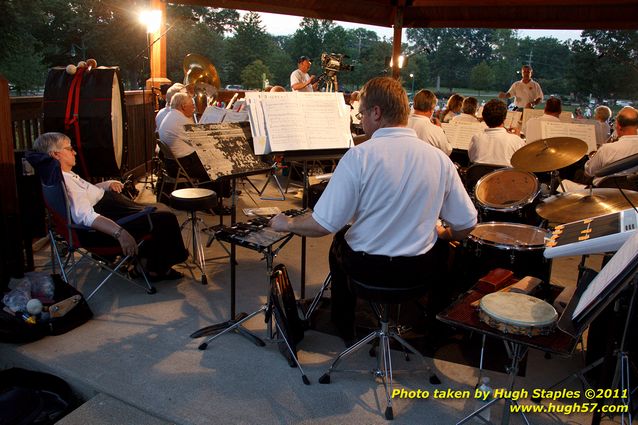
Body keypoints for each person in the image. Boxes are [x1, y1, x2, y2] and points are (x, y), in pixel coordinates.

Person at [269, 77, 477, 344]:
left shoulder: (359, 156)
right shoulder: (439, 159)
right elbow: (467, 222)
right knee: (444, 250)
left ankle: (345, 326)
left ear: (376, 112)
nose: (362, 119)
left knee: (338, 242)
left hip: (367, 270)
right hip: (418, 272)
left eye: (363, 113)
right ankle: (432, 328)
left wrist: (287, 223)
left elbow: (323, 225)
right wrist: (443, 233)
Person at [33, 132, 188, 281]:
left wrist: (106, 185)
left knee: (159, 208)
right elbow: (86, 216)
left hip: (111, 209)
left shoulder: (62, 175)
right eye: (69, 148)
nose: (74, 152)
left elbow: (86, 193)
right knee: (164, 218)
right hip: (101, 228)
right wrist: (120, 233)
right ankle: (154, 269)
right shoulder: (66, 182)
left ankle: (145, 260)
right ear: (55, 154)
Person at [158, 92, 231, 204]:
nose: (194, 108)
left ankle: (220, 195)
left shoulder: (171, 115)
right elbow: (199, 142)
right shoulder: (180, 120)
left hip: (172, 163)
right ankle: (213, 203)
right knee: (218, 165)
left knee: (213, 160)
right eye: (192, 105)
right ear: (183, 106)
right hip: (183, 165)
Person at [584, 106, 638, 186]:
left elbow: (589, 172)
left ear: (619, 127)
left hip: (603, 192)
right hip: (631, 191)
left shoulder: (607, 149)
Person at [468, 99, 525, 166]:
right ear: (504, 118)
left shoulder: (476, 139)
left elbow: (472, 159)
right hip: (507, 176)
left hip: (481, 176)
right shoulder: (516, 140)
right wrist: (517, 138)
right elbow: (523, 163)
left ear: (484, 118)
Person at [407, 89, 452, 155]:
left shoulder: (401, 123)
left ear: (414, 105)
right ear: (432, 109)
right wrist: (441, 130)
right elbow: (447, 151)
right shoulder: (436, 130)